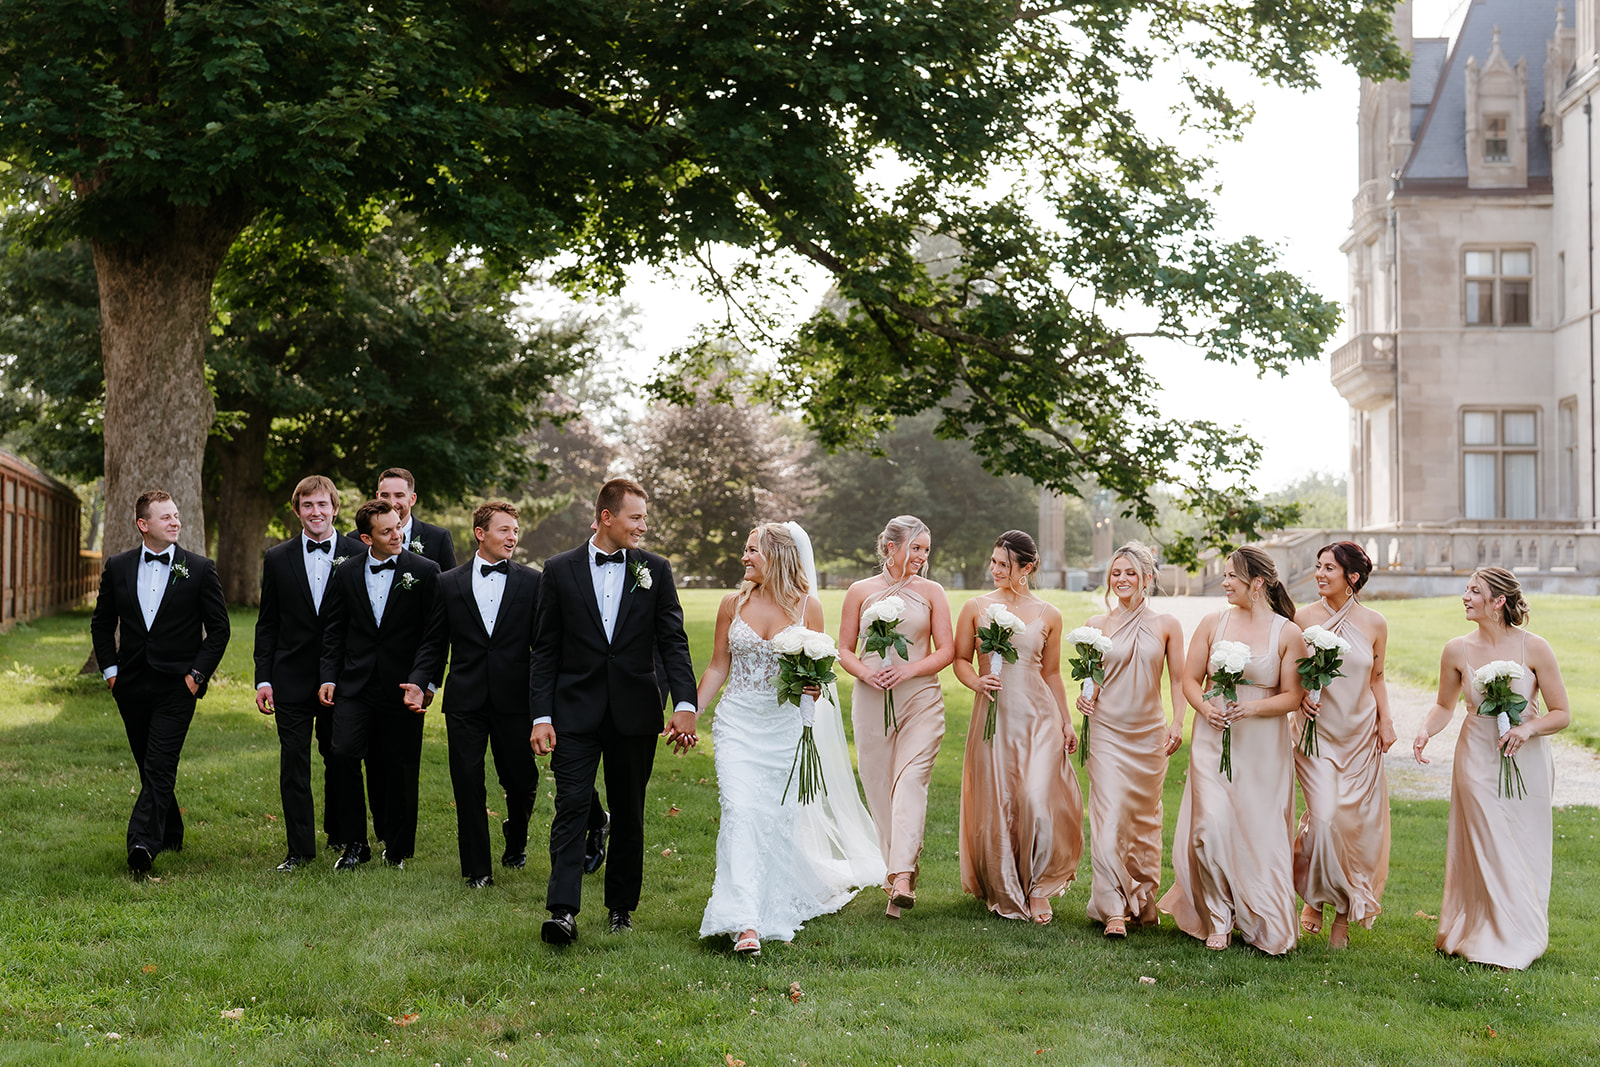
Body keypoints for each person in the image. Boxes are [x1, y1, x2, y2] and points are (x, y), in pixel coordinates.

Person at [696, 523, 883, 955]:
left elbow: (815, 672)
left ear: (777, 556)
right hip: (737, 724)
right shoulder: (732, 604)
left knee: (775, 822)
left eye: (751, 551)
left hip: (783, 730)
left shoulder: (808, 609)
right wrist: (692, 710)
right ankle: (744, 919)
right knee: (740, 811)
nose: (744, 558)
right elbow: (718, 667)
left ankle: (769, 901)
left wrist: (813, 688)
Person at [530, 478, 698, 944]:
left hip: (635, 714)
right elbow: (544, 650)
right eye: (636, 517)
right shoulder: (559, 570)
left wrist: (685, 703)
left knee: (629, 810)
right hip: (573, 713)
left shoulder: (656, 571)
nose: (643, 526)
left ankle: (620, 907)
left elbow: (673, 642)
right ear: (607, 517)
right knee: (571, 806)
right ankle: (562, 910)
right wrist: (541, 715)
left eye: (644, 518)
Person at [1413, 567, 1570, 971]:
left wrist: (1528, 728)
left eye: (1474, 591)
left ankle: (1519, 932)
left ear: (1499, 601)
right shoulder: (1456, 649)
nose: (1465, 597)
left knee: (1523, 845)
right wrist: (1425, 730)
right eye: (1466, 590)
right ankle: (1489, 934)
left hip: (1527, 760)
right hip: (1477, 755)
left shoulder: (1535, 648)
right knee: (1488, 840)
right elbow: (1444, 706)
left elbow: (1562, 714)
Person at [1159, 545, 1304, 954]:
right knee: (1209, 827)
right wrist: (1205, 707)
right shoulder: (1212, 623)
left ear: (1257, 583)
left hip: (1262, 747)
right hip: (1212, 736)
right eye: (1224, 575)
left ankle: (1260, 915)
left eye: (1232, 577)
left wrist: (1251, 708)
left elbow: (1293, 696)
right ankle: (1218, 917)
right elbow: (1190, 679)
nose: (1224, 583)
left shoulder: (1286, 633)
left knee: (1258, 833)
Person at [90, 490, 230, 874]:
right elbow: (102, 625)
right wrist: (111, 673)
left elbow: (219, 630)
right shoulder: (118, 566)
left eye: (176, 515)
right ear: (143, 524)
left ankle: (141, 844)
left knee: (160, 763)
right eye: (165, 517)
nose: (175, 522)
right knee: (147, 762)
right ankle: (171, 830)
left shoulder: (200, 569)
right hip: (130, 684)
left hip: (177, 686)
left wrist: (195, 677)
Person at [404, 501, 540, 888]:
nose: (512, 537)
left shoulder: (533, 581)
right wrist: (420, 681)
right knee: (467, 781)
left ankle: (516, 839)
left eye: (515, 530)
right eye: (504, 530)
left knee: (520, 779)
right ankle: (477, 870)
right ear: (481, 534)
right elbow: (434, 642)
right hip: (465, 699)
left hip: (516, 698)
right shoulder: (448, 583)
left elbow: (543, 644)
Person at [954, 530, 1082, 924]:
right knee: (1000, 800)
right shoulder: (975, 607)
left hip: (1039, 716)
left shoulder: (1049, 614)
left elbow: (1053, 673)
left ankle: (1040, 887)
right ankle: (1005, 882)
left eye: (1003, 565)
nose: (994, 570)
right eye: (993, 562)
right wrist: (976, 681)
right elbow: (960, 659)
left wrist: (1065, 721)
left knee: (1036, 799)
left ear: (1026, 568)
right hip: (994, 715)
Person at [837, 515, 953, 919]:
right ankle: (897, 875)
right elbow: (845, 649)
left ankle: (901, 875)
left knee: (910, 783)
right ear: (891, 548)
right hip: (871, 699)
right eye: (915, 548)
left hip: (920, 697)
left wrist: (908, 669)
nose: (922, 556)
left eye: (926, 549)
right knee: (880, 789)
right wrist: (867, 672)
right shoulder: (860, 591)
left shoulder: (933, 592)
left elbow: (946, 651)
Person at [319, 500, 441, 871]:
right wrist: (328, 675)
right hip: (355, 685)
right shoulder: (348, 572)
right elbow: (334, 630)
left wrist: (421, 682)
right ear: (365, 537)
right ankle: (355, 843)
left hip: (403, 686)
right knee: (341, 754)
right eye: (387, 531)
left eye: (398, 526)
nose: (397, 535)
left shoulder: (425, 571)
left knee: (401, 766)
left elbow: (433, 637)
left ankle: (398, 848)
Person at [253, 475, 364, 871]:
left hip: (345, 677)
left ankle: (346, 837)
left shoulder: (358, 551)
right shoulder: (277, 558)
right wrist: (263, 678)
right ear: (297, 511)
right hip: (291, 677)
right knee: (293, 762)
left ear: (335, 508)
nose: (315, 513)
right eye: (307, 506)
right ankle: (299, 849)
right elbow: (267, 624)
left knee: (341, 758)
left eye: (322, 505)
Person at [1075, 541, 1185, 938]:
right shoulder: (1095, 625)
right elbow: (1090, 682)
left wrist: (1178, 722)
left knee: (1142, 820)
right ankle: (1112, 908)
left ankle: (1140, 898)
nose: (1122, 579)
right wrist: (1085, 698)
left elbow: (1177, 680)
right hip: (1105, 733)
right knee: (1108, 818)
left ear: (1147, 579)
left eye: (1130, 573)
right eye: (1116, 573)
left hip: (1149, 734)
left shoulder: (1167, 625)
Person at [1293, 541, 1394, 949]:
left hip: (1360, 734)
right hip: (1315, 735)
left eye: (1329, 568)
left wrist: (1387, 720)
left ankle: (1342, 915)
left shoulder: (1375, 623)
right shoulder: (1301, 618)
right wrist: (1298, 695)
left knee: (1356, 828)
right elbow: (1289, 672)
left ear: (1351, 577)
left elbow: (1378, 676)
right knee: (1324, 818)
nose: (1320, 574)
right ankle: (1314, 892)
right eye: (1318, 567)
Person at [359, 467, 457, 571]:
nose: (391, 502)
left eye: (399, 495)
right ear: (377, 496)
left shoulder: (438, 538)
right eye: (385, 495)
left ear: (412, 499)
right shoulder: (356, 539)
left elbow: (450, 583)